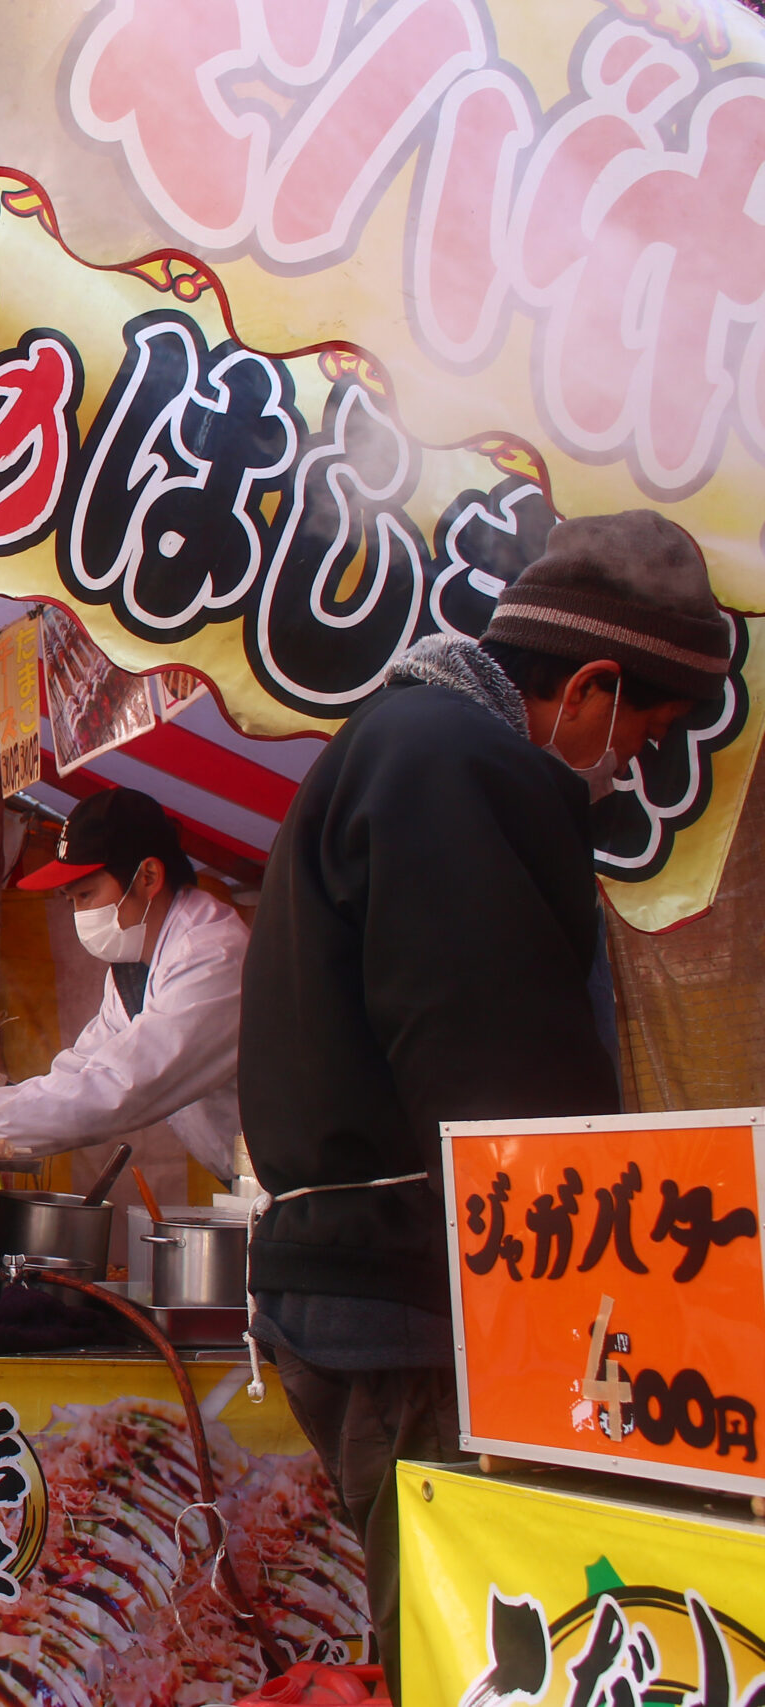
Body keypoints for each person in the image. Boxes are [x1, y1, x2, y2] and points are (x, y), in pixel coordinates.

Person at [240, 510, 730, 1696]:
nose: (628, 767)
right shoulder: (455, 763)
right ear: (594, 686)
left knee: (430, 1616)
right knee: (470, 1629)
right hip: (412, 1301)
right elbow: (496, 1068)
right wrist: (615, 1310)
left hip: (349, 1283)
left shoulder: (393, 747)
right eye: (642, 736)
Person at [0, 788, 246, 1182]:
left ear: (147, 876)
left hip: (317, 1195)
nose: (79, 913)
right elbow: (83, 1068)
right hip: (255, 1186)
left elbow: (117, 1089)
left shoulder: (212, 956)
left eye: (86, 894)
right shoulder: (132, 972)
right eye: (71, 900)